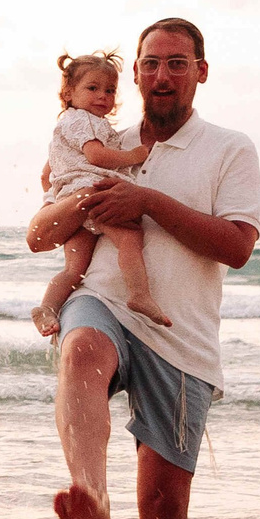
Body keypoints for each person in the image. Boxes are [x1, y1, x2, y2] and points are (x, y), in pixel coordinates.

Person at [27, 17, 260, 519]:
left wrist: (147, 200)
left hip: (181, 337)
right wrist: (79, 206)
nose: (163, 74)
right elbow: (37, 236)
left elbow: (238, 247)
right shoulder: (99, 139)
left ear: (201, 72)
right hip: (106, 300)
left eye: (177, 63)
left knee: (164, 507)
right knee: (79, 351)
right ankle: (91, 494)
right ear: (134, 73)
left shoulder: (228, 149)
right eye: (151, 63)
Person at [31, 50, 164, 336]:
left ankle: (48, 307)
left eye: (110, 90)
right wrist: (133, 155)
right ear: (68, 92)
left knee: (75, 269)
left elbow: (45, 175)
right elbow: (96, 156)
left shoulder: (70, 123)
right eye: (92, 88)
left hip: (72, 198)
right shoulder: (83, 121)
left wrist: (56, 197)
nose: (103, 96)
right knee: (129, 237)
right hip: (92, 192)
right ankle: (139, 294)